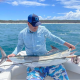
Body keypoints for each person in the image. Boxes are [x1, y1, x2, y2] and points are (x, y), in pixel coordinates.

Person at [8, 14, 75, 80]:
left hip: (49, 60)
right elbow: (19, 45)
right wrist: (14, 54)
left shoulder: (43, 30)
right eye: (34, 25)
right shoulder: (22, 33)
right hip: (34, 64)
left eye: (37, 24)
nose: (36, 26)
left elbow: (54, 38)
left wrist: (67, 45)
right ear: (28, 23)